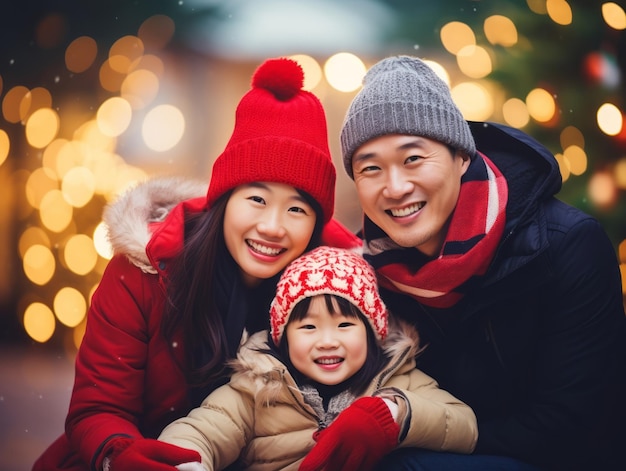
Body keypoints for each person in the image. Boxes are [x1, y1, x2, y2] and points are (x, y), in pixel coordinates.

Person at [31, 57, 360, 471]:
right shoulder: (146, 273)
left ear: (315, 224)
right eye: (256, 199)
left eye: (297, 209)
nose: (272, 226)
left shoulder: (337, 289)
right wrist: (120, 455)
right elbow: (97, 408)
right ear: (224, 200)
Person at [337, 55, 626, 470]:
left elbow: (576, 425)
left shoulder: (566, 246)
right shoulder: (369, 275)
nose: (396, 187)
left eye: (413, 158)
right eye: (370, 168)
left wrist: (408, 429)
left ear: (461, 157)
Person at [157, 246, 478, 471]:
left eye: (345, 325)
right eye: (308, 327)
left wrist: (394, 412)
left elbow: (463, 425)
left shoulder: (399, 379)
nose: (327, 341)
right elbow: (203, 430)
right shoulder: (255, 390)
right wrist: (188, 460)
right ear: (283, 336)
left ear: (372, 331)